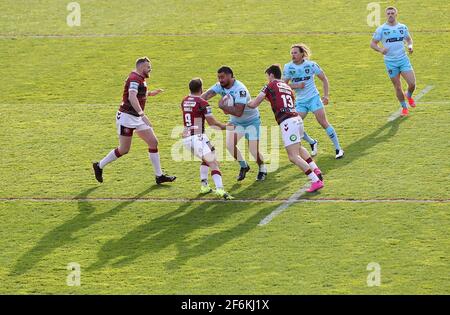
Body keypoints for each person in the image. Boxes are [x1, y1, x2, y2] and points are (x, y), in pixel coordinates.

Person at [93, 57, 176, 184]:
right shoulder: (134, 79)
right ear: (142, 67)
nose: (150, 69)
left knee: (153, 142)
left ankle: (159, 176)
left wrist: (150, 93)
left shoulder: (139, 78)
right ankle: (99, 165)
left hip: (136, 117)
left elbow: (137, 93)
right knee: (124, 149)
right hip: (127, 118)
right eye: (148, 67)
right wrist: (142, 115)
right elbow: (132, 97)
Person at [248, 64, 324, 193]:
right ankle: (315, 169)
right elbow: (280, 100)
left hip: (288, 122)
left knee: (293, 156)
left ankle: (315, 180)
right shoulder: (286, 86)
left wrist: (244, 103)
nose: (267, 79)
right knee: (299, 148)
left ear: (271, 75)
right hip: (297, 119)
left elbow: (254, 103)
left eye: (268, 76)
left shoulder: (270, 85)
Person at [201, 66, 267, 181]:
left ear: (230, 76)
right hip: (236, 123)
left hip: (251, 122)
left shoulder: (240, 90)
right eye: (219, 77)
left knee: (253, 150)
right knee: (230, 145)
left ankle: (262, 167)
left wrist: (223, 106)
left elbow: (238, 112)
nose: (220, 80)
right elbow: (205, 96)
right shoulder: (219, 86)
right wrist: (192, 102)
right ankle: (244, 166)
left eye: (223, 77)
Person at [283, 44, 344, 159]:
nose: (293, 55)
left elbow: (324, 79)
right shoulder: (288, 67)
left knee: (323, 122)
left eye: (295, 53)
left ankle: (338, 148)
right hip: (301, 102)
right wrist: (296, 85)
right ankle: (312, 142)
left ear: (302, 54)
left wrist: (326, 96)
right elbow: (283, 85)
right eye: (292, 53)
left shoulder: (311, 65)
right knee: (295, 126)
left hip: (313, 99)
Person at [181, 78, 233, 200]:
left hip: (187, 138)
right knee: (213, 162)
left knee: (211, 155)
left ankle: (204, 186)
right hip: (197, 137)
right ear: (201, 88)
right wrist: (226, 127)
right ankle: (220, 190)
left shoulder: (184, 101)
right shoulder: (202, 102)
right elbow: (212, 123)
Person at [371, 6, 416, 117]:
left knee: (412, 83)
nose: (390, 15)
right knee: (397, 86)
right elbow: (372, 44)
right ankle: (404, 108)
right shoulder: (381, 29)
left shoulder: (402, 27)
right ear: (386, 15)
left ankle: (409, 95)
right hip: (390, 62)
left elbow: (409, 39)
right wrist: (380, 49)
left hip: (403, 60)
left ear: (396, 14)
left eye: (392, 13)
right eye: (388, 13)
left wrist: (410, 46)